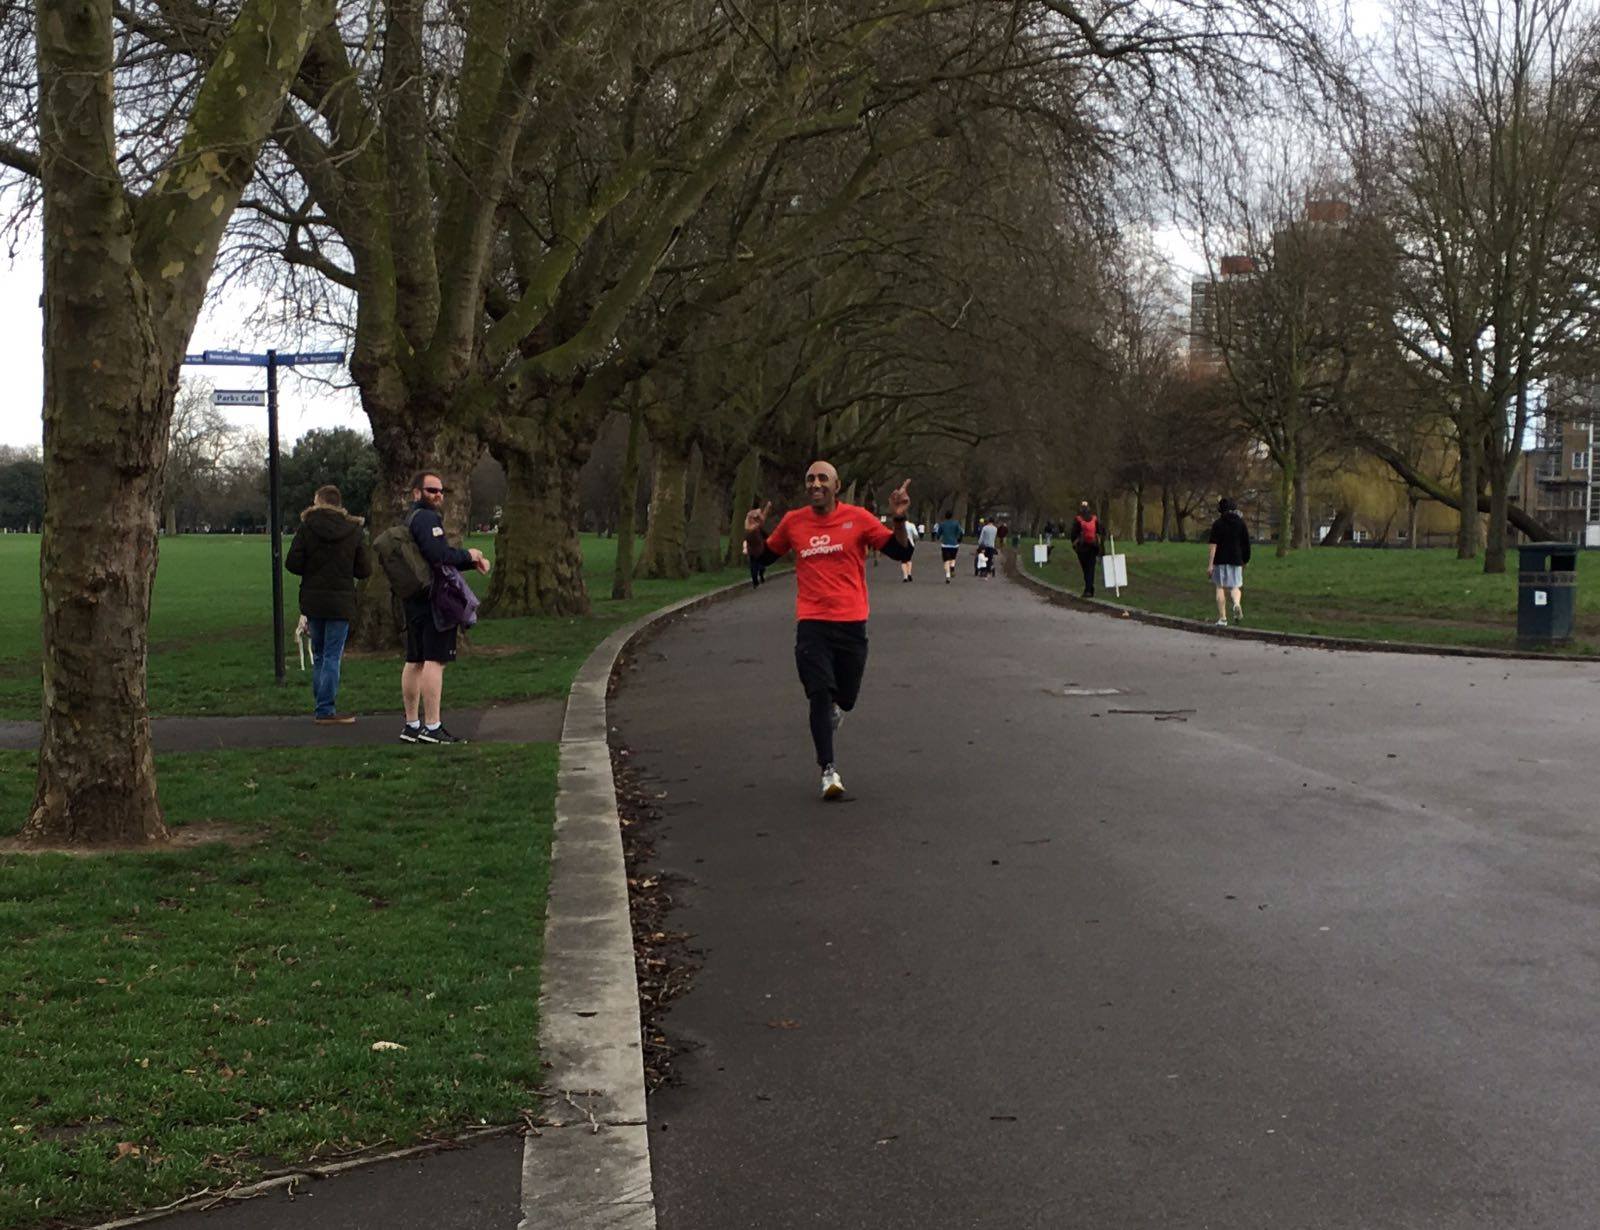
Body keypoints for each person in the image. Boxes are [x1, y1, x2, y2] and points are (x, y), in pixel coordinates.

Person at [745, 461, 915, 799]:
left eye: (823, 478)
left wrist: (898, 518)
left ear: (837, 486)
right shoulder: (794, 522)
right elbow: (763, 558)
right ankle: (828, 770)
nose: (816, 484)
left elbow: (900, 551)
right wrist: (753, 533)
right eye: (810, 479)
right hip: (812, 623)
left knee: (846, 697)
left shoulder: (859, 518)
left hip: (852, 622)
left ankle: (837, 710)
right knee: (818, 693)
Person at [400, 471, 491, 744]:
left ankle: (412, 725)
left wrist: (466, 560)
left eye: (441, 491)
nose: (438, 495)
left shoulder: (411, 519)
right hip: (434, 598)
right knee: (434, 659)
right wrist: (470, 555)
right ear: (417, 492)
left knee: (414, 659)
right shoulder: (427, 518)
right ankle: (432, 726)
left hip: (414, 596)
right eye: (431, 490)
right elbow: (439, 556)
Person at [285, 484, 374, 725]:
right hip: (341, 599)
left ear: (319, 502)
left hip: (313, 599)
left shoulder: (307, 528)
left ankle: (321, 705)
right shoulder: (354, 531)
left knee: (321, 653)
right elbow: (364, 569)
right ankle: (325, 708)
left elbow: (292, 563)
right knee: (333, 655)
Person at [1207, 496, 1251, 626]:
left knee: (1220, 587)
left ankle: (1223, 619)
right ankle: (1236, 604)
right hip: (1236, 559)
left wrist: (1210, 565)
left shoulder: (1217, 524)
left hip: (1220, 560)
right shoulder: (1241, 524)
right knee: (1235, 587)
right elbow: (1246, 544)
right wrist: (1245, 560)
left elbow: (1213, 546)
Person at [1069, 501, 1103, 597]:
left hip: (1082, 548)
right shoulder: (1094, 519)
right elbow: (1100, 532)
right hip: (1093, 547)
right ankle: (1090, 589)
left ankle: (1088, 589)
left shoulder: (1078, 519)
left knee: (1085, 569)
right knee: (1091, 569)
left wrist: (1075, 546)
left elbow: (1073, 534)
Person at [934, 511, 962, 582]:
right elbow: (960, 532)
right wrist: (958, 538)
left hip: (945, 544)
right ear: (952, 516)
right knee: (953, 558)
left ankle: (947, 575)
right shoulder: (956, 523)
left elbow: (938, 533)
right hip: (954, 544)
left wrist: (937, 537)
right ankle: (952, 567)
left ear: (945, 516)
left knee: (946, 560)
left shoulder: (942, 524)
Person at [745, 502, 768, 588]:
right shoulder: (757, 526)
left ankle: (756, 580)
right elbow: (763, 519)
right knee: (759, 563)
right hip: (757, 547)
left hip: (752, 547)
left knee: (754, 564)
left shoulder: (749, 522)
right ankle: (759, 576)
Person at [900, 517, 920, 582]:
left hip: (902, 544)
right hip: (910, 544)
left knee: (903, 560)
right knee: (909, 559)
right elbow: (916, 535)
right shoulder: (911, 525)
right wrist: (914, 538)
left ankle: (905, 577)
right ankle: (909, 573)